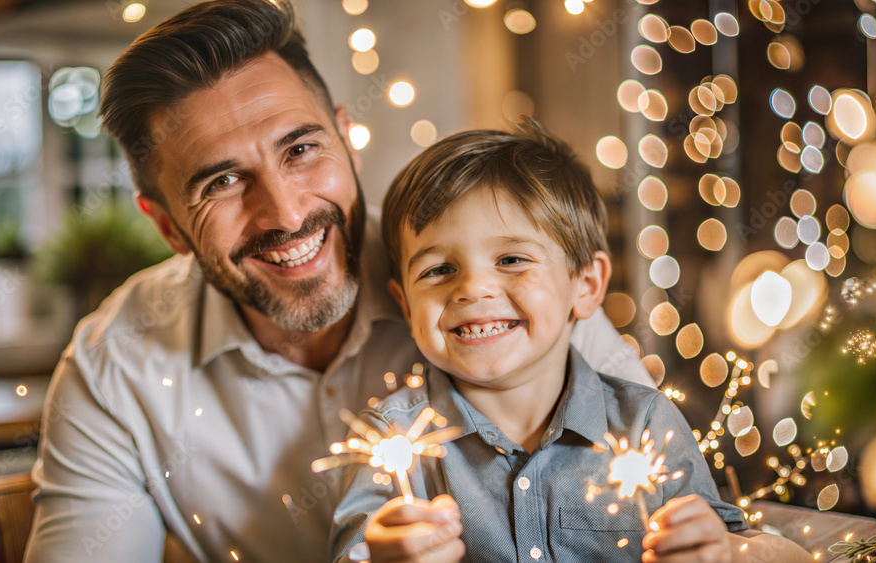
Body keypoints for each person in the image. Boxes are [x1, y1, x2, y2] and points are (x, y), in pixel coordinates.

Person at [23, 2, 652, 561]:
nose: (288, 213)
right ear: (167, 226)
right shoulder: (115, 368)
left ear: (348, 139)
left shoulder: (495, 285)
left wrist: (744, 546)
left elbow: (661, 475)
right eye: (221, 183)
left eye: (300, 150)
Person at [329, 124, 813, 563]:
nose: (472, 289)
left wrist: (721, 550)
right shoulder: (393, 439)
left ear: (585, 285)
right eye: (438, 270)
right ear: (406, 305)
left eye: (512, 259)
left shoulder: (644, 421)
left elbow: (735, 542)